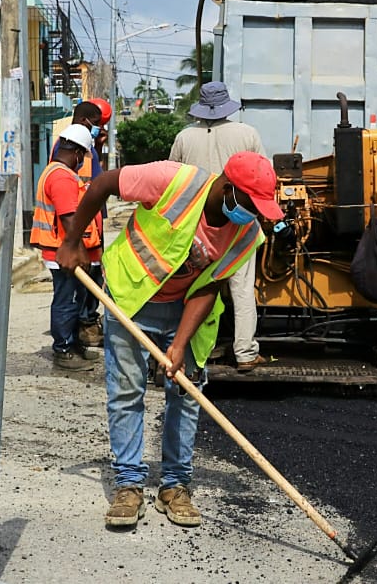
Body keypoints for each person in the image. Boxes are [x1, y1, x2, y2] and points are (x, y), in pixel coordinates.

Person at [58, 151, 283, 529]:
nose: (255, 215)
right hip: (132, 299)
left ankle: (175, 486)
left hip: (188, 312)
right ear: (228, 189)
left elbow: (210, 284)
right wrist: (72, 241)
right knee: (127, 392)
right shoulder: (172, 180)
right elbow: (100, 185)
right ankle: (129, 484)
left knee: (186, 395)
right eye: (250, 204)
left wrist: (178, 345)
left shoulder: (246, 232)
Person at [169, 81, 269, 372]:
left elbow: (174, 179)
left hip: (197, 227)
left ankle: (192, 350)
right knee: (241, 289)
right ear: (227, 106)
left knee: (195, 288)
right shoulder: (247, 134)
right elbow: (263, 176)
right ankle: (245, 352)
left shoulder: (185, 138)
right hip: (238, 224)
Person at [31, 124, 100, 370]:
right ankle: (63, 349)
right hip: (64, 252)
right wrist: (79, 250)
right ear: (79, 153)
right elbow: (69, 218)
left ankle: (74, 345)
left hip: (64, 250)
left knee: (75, 299)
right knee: (67, 301)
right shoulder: (61, 176)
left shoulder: (57, 172)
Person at [78, 98, 114, 344]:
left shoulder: (90, 146)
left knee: (96, 274)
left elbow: (98, 177)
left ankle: (88, 320)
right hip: (85, 223)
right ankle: (85, 324)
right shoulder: (74, 146)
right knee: (88, 276)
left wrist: (99, 146)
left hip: (95, 220)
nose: (100, 130)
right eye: (98, 125)